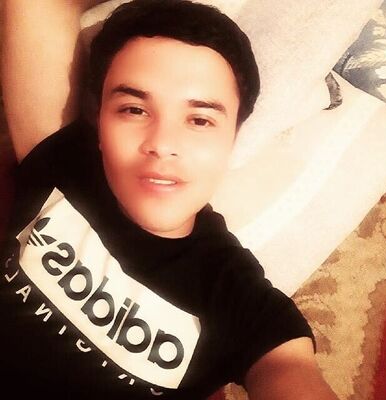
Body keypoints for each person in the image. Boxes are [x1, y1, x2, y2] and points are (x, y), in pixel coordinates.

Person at [0, 0, 338, 399]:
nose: (162, 144)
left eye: (200, 120)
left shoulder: (238, 301)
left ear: (232, 139)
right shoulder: (64, 160)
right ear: (100, 121)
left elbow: (288, 372)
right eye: (134, 109)